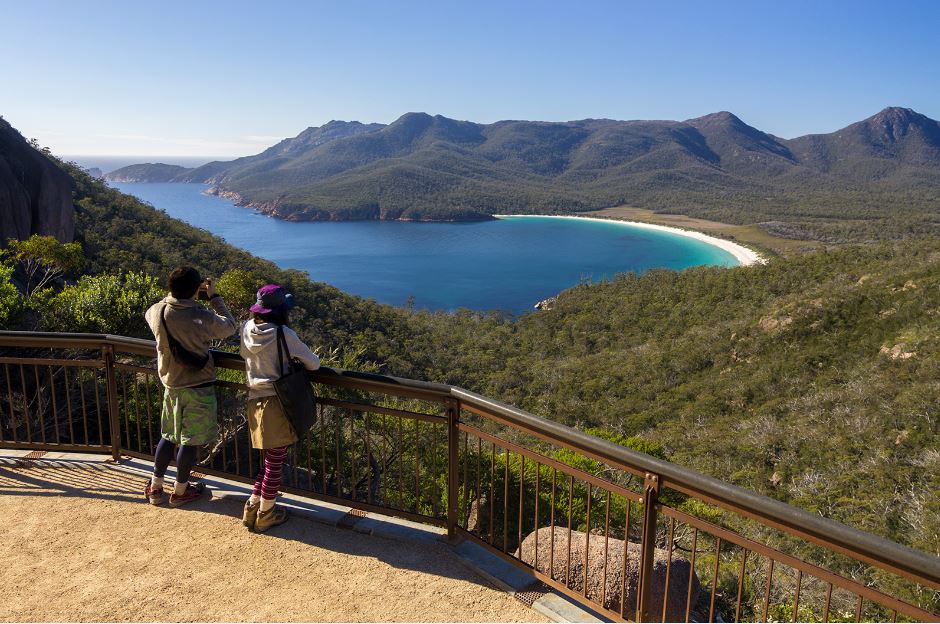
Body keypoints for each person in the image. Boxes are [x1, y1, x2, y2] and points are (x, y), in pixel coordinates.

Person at [143, 266, 237, 506]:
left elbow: (155, 313)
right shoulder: (201, 316)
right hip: (199, 385)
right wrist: (214, 298)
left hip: (171, 384)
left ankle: (155, 488)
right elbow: (229, 327)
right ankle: (181, 492)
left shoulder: (157, 310)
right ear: (197, 290)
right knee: (189, 441)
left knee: (168, 436)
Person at [240, 284, 320, 532]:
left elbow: (244, 354)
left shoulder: (248, 328)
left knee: (269, 459)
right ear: (281, 311)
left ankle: (253, 504)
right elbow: (314, 364)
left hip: (255, 400)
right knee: (276, 462)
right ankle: (266, 513)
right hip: (278, 402)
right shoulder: (284, 334)